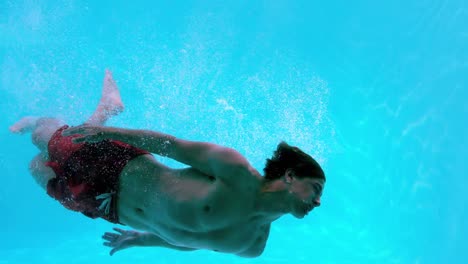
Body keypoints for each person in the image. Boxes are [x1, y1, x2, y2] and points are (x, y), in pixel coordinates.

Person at [10, 69, 326, 258]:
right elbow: (170, 145)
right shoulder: (236, 172)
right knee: (42, 137)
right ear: (289, 176)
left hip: (110, 208)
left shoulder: (252, 245)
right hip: (120, 168)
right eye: (314, 188)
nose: (318, 200)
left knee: (38, 169)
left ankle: (105, 108)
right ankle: (97, 114)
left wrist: (140, 240)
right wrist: (105, 132)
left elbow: (195, 240)